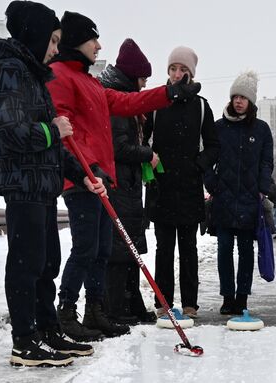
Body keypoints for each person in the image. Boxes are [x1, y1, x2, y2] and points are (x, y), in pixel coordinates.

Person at [47, 12, 199, 340]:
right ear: (76, 40)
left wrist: (169, 93)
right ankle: (67, 312)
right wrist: (87, 168)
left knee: (102, 250)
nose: (99, 45)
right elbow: (65, 131)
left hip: (103, 183)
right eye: (93, 39)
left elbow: (130, 102)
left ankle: (96, 310)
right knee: (85, 249)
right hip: (83, 180)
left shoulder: (91, 82)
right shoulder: (60, 75)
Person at [0, 0, 95, 367]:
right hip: (23, 183)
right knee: (27, 263)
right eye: (54, 40)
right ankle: (24, 339)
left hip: (43, 184)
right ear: (37, 34)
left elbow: (54, 147)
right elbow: (7, 132)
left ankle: (47, 330)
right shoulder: (7, 71)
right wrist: (51, 128)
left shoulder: (32, 74)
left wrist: (85, 175)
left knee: (47, 263)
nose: (56, 48)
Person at [146, 46, 218, 321]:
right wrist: (148, 157)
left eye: (183, 70)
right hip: (161, 188)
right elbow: (143, 139)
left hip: (189, 188)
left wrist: (197, 165)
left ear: (190, 74)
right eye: (173, 69)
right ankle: (163, 302)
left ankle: (190, 304)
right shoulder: (156, 102)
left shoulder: (201, 106)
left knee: (188, 249)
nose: (177, 74)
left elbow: (213, 146)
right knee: (163, 249)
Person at [98, 39, 158, 326]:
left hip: (129, 185)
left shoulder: (125, 98)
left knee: (131, 248)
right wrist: (148, 154)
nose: (144, 84)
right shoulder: (117, 101)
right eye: (143, 78)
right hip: (119, 184)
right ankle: (117, 307)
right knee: (121, 249)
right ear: (133, 75)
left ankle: (131, 302)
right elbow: (118, 148)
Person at [206, 70, 275, 316]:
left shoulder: (262, 129)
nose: (238, 101)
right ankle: (227, 297)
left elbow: (267, 163)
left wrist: (262, 189)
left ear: (251, 101)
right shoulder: (217, 128)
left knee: (246, 251)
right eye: (235, 96)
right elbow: (206, 160)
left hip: (249, 201)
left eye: (243, 97)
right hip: (223, 200)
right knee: (224, 249)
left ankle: (242, 298)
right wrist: (212, 185)